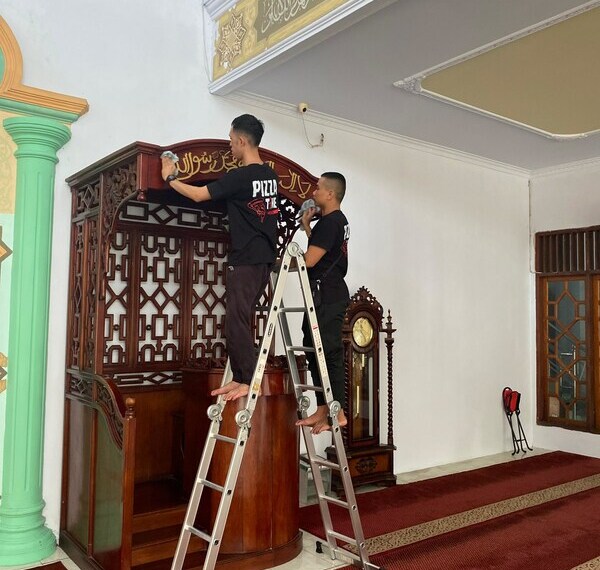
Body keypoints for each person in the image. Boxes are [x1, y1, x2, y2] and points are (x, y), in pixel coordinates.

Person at [160, 114, 279, 401]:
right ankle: (242, 377)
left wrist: (171, 178)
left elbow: (201, 195)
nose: (229, 146)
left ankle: (248, 380)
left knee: (236, 319)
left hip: (247, 258)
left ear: (241, 140)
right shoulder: (270, 176)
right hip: (265, 260)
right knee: (241, 316)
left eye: (230, 140)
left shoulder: (241, 176)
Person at [296, 172, 350, 434]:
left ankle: (337, 412)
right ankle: (322, 407)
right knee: (311, 345)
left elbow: (309, 261)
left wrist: (284, 262)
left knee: (329, 351)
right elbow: (321, 253)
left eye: (318, 188)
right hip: (321, 294)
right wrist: (307, 227)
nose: (314, 193)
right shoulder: (332, 222)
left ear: (330, 194)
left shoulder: (331, 222)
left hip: (328, 295)